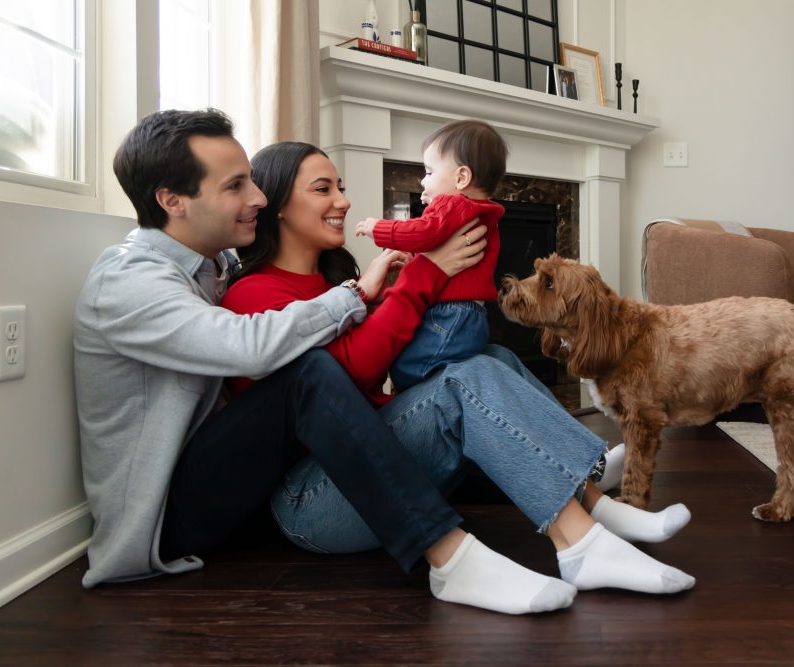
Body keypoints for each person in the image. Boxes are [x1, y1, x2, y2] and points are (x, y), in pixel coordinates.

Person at [222, 140, 697, 614]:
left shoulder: (338, 284)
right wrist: (425, 275)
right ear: (278, 204)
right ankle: (582, 537)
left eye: (340, 187)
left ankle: (588, 493)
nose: (343, 201)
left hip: (376, 471)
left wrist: (399, 288)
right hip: (313, 499)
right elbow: (347, 375)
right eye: (323, 189)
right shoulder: (252, 294)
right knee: (463, 379)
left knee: (489, 355)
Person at [73, 109, 496, 609]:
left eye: (253, 182)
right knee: (307, 372)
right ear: (172, 201)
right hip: (164, 516)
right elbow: (250, 347)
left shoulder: (214, 267)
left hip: (231, 480)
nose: (257, 198)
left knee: (485, 362)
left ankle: (572, 487)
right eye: (236, 186)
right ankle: (450, 556)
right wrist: (358, 292)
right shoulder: (130, 282)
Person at [352, 119, 505, 391]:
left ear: (461, 178)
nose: (423, 181)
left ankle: (417, 402)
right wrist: (415, 259)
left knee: (407, 368)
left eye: (429, 172)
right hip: (473, 315)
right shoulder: (482, 213)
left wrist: (379, 228)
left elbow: (426, 231)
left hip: (450, 314)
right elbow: (441, 248)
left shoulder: (453, 204)